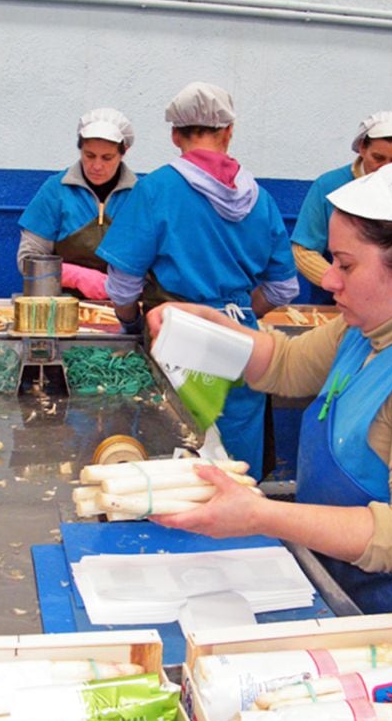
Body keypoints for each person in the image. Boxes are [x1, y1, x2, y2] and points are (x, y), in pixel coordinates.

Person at [145, 159, 392, 614]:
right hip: (336, 581)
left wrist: (263, 514)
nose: (328, 279)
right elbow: (286, 364)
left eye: (345, 264)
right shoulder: (368, 329)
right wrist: (207, 330)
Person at [97, 82, 299, 480]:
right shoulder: (262, 199)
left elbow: (122, 287)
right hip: (243, 343)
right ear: (229, 132)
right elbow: (283, 288)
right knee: (236, 471)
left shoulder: (155, 191)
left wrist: (132, 324)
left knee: (177, 467)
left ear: (175, 135)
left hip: (177, 340)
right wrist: (235, 314)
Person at [290, 111, 392, 301]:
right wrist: (339, 281)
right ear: (362, 148)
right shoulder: (329, 186)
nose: (386, 168)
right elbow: (303, 251)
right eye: (378, 158)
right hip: (335, 301)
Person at [17, 108, 137, 299]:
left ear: (124, 152)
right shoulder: (55, 191)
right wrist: (78, 277)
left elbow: (154, 262)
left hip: (124, 306)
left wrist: (121, 285)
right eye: (89, 155)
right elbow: (28, 261)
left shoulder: (139, 196)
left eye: (107, 158)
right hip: (59, 305)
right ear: (80, 149)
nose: (97, 166)